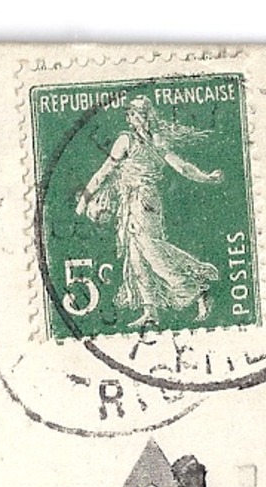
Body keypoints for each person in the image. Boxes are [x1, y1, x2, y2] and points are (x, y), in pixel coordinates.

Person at [76, 96, 224, 329]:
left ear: (148, 116)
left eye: (141, 114)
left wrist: (204, 177)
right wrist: (84, 199)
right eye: (133, 114)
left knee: (152, 251)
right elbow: (105, 171)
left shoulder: (157, 141)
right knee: (136, 258)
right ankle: (150, 311)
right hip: (128, 202)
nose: (137, 118)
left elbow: (181, 166)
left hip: (146, 202)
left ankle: (198, 287)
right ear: (129, 117)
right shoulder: (125, 140)